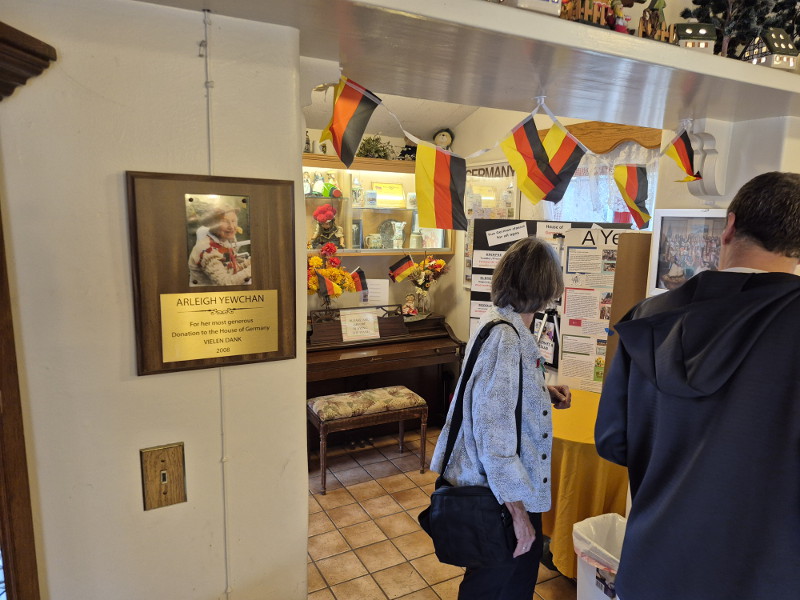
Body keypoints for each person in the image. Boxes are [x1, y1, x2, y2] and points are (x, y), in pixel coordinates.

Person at [595, 171, 800, 600]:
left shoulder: (649, 316)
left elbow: (614, 441)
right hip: (765, 578)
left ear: (729, 226)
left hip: (655, 565)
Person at [430, 236, 572, 600]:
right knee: (499, 587)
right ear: (545, 287)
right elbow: (494, 437)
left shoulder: (497, 321)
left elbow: (493, 400)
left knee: (502, 583)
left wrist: (542, 393)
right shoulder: (506, 339)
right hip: (501, 496)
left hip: (502, 490)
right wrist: (519, 516)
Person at [188, 203, 252, 286]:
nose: (231, 227)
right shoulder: (208, 250)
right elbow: (225, 283)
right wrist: (250, 270)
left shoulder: (223, 241)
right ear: (212, 225)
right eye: (224, 221)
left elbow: (231, 269)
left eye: (233, 221)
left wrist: (250, 263)